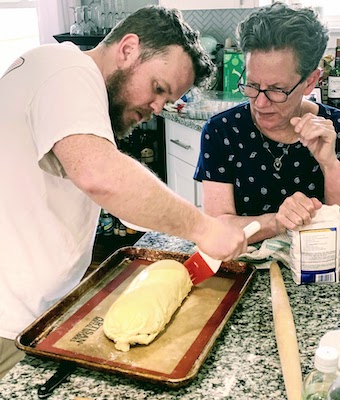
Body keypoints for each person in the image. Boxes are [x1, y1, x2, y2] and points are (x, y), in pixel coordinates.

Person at [0, 6, 249, 378]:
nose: (156, 108)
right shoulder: (66, 71)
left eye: (166, 101)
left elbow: (120, 193)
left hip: (38, 314)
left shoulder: (62, 79)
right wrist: (205, 228)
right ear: (128, 48)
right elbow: (100, 175)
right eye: (158, 89)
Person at [194, 2, 340, 244]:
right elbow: (217, 226)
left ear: (310, 81)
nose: (260, 103)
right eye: (252, 85)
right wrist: (277, 222)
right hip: (244, 270)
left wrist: (330, 165)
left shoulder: (334, 128)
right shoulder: (222, 131)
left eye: (277, 90)